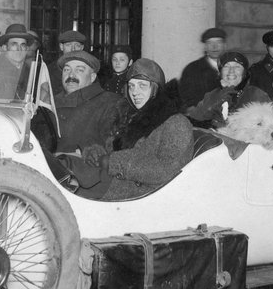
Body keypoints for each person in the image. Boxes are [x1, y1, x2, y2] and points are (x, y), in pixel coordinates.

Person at [72, 58, 194, 200]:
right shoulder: (133, 116)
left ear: (156, 88)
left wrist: (114, 162)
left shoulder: (176, 123)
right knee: (66, 168)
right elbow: (118, 151)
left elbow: (167, 170)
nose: (134, 92)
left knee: (70, 188)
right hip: (121, 185)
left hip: (146, 196)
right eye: (131, 86)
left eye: (142, 86)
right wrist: (98, 154)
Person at [54, 50, 129, 155]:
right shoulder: (50, 103)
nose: (71, 75)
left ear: (92, 77)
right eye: (66, 70)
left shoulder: (110, 103)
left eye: (79, 70)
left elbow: (112, 152)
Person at [185, 50, 250, 127]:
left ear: (244, 73)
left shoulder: (255, 94)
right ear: (220, 73)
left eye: (237, 66)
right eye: (226, 66)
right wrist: (219, 99)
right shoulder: (212, 95)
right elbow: (195, 120)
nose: (231, 71)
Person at [0, 23, 35, 99]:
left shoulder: (29, 72)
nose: (19, 49)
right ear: (5, 48)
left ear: (26, 49)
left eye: (23, 45)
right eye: (14, 44)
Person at [178, 27, 226, 108]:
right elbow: (187, 101)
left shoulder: (233, 67)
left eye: (218, 42)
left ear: (225, 45)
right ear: (205, 47)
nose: (214, 47)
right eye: (210, 43)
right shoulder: (192, 70)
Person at [49, 30, 87, 95]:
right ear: (61, 47)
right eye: (68, 45)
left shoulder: (88, 69)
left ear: (82, 48)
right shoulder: (50, 70)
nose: (73, 49)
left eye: (77, 45)